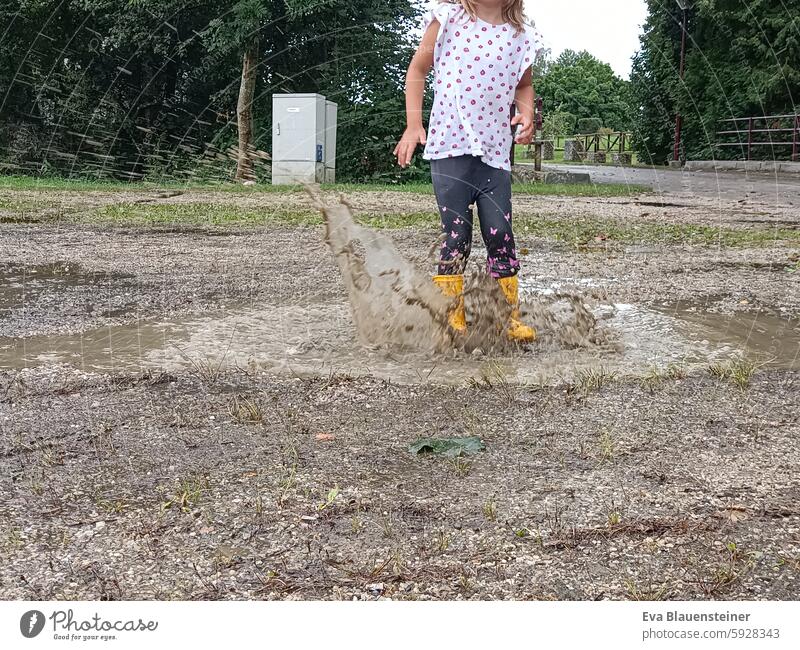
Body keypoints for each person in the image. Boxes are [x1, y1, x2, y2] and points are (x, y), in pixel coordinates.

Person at [393, 0, 542, 342]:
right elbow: (417, 69)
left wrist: (526, 114)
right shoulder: (447, 19)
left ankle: (508, 316)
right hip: (450, 149)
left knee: (500, 234)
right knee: (456, 236)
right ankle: (451, 313)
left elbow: (523, 86)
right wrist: (413, 124)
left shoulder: (523, 37)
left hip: (494, 156)